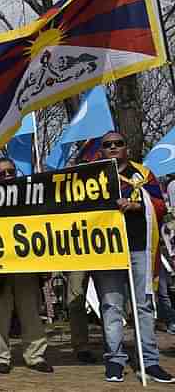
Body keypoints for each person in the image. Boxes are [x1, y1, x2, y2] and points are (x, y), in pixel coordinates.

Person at [93, 131, 175, 383]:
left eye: (119, 143)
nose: (114, 147)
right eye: (108, 145)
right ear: (102, 150)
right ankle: (115, 360)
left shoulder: (143, 174)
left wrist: (137, 205)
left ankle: (149, 361)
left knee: (143, 306)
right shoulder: (93, 177)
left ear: (126, 147)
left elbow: (160, 205)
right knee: (111, 306)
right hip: (107, 250)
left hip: (139, 248)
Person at [0, 132, 52, 375]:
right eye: (2, 174)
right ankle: (2, 357)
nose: (7, 177)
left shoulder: (29, 195)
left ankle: (35, 355)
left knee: (31, 312)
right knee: (0, 316)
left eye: (11, 173)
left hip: (26, 264)